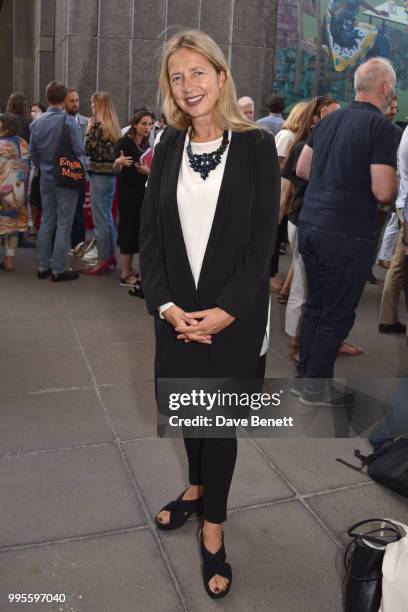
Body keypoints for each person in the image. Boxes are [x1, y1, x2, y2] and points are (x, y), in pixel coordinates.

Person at [140, 30, 280, 599]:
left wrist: (224, 311)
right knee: (189, 414)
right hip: (176, 312)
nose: (188, 85)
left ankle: (214, 527)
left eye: (199, 72)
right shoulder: (168, 144)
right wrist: (167, 306)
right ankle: (195, 490)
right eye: (177, 76)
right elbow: (151, 234)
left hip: (235, 316)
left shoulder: (254, 147)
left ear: (221, 77)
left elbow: (261, 242)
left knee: (218, 426)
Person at [295, 57, 400, 406]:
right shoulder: (383, 129)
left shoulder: (329, 120)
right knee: (336, 313)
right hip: (346, 233)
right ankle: (315, 389)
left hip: (311, 225)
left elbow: (303, 168)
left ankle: (303, 379)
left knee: (316, 306)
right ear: (384, 88)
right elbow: (383, 191)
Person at [29, 81, 85, 282]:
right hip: (65, 177)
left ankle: (42, 266)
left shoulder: (36, 122)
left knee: (46, 221)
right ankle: (58, 269)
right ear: (63, 99)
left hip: (45, 176)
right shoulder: (68, 121)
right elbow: (79, 149)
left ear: (47, 98)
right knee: (64, 223)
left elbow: (32, 153)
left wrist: (43, 166)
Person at [270, 101, 309, 293]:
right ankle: (271, 273)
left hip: (287, 190)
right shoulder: (286, 136)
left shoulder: (294, 136)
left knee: (278, 234)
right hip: (281, 189)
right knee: (274, 234)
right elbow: (277, 165)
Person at [83, 91, 121, 275]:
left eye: (93, 103)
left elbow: (87, 149)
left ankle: (102, 259)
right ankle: (110, 256)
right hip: (111, 176)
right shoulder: (113, 125)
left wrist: (88, 129)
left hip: (99, 175)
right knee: (107, 219)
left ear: (99, 105)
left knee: (100, 220)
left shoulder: (97, 125)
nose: (91, 106)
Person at [112, 110, 152, 287]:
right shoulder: (124, 143)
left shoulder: (146, 144)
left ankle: (131, 270)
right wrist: (118, 163)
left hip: (143, 193)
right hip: (128, 194)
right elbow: (114, 168)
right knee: (128, 229)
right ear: (135, 125)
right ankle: (125, 272)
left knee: (138, 230)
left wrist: (148, 172)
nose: (147, 128)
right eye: (143, 124)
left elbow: (150, 168)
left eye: (149, 124)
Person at [378, 122, 408, 337]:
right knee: (399, 265)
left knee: (398, 265)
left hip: (403, 205)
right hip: (406, 207)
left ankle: (387, 318)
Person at [0, 113, 30, 271]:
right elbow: (27, 166)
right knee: (11, 228)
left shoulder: (1, 143)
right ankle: (9, 261)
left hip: (1, 189)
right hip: (16, 190)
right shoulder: (23, 143)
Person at [6, 92, 34, 248]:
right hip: (21, 165)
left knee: (7, 201)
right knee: (20, 202)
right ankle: (19, 235)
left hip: (5, 165)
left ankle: (6, 236)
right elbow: (29, 144)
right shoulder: (24, 122)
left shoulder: (4, 119)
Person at [64, 88, 89, 248]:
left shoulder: (87, 122)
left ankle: (78, 251)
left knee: (78, 216)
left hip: (80, 175)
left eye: (77, 100)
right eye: (71, 101)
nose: (75, 104)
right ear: (64, 102)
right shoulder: (60, 122)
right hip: (63, 174)